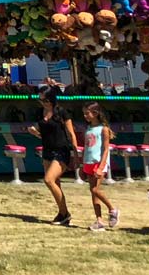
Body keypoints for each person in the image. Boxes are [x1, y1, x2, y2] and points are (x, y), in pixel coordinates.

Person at [26, 85, 79, 225]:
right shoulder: (39, 113)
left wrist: (76, 154)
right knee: (55, 183)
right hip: (47, 149)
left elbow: (71, 133)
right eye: (41, 100)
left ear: (51, 99)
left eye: (44, 100)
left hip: (61, 150)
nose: (43, 103)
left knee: (48, 179)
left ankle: (64, 213)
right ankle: (63, 212)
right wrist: (34, 132)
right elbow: (43, 134)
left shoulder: (61, 112)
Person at [81, 103, 119, 231]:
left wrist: (101, 166)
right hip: (88, 161)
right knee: (93, 192)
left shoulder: (103, 129)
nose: (85, 116)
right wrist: (83, 164)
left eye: (87, 113)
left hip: (99, 162)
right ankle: (99, 220)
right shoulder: (89, 128)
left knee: (96, 190)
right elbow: (87, 147)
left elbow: (105, 149)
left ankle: (112, 209)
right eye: (84, 113)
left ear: (95, 113)